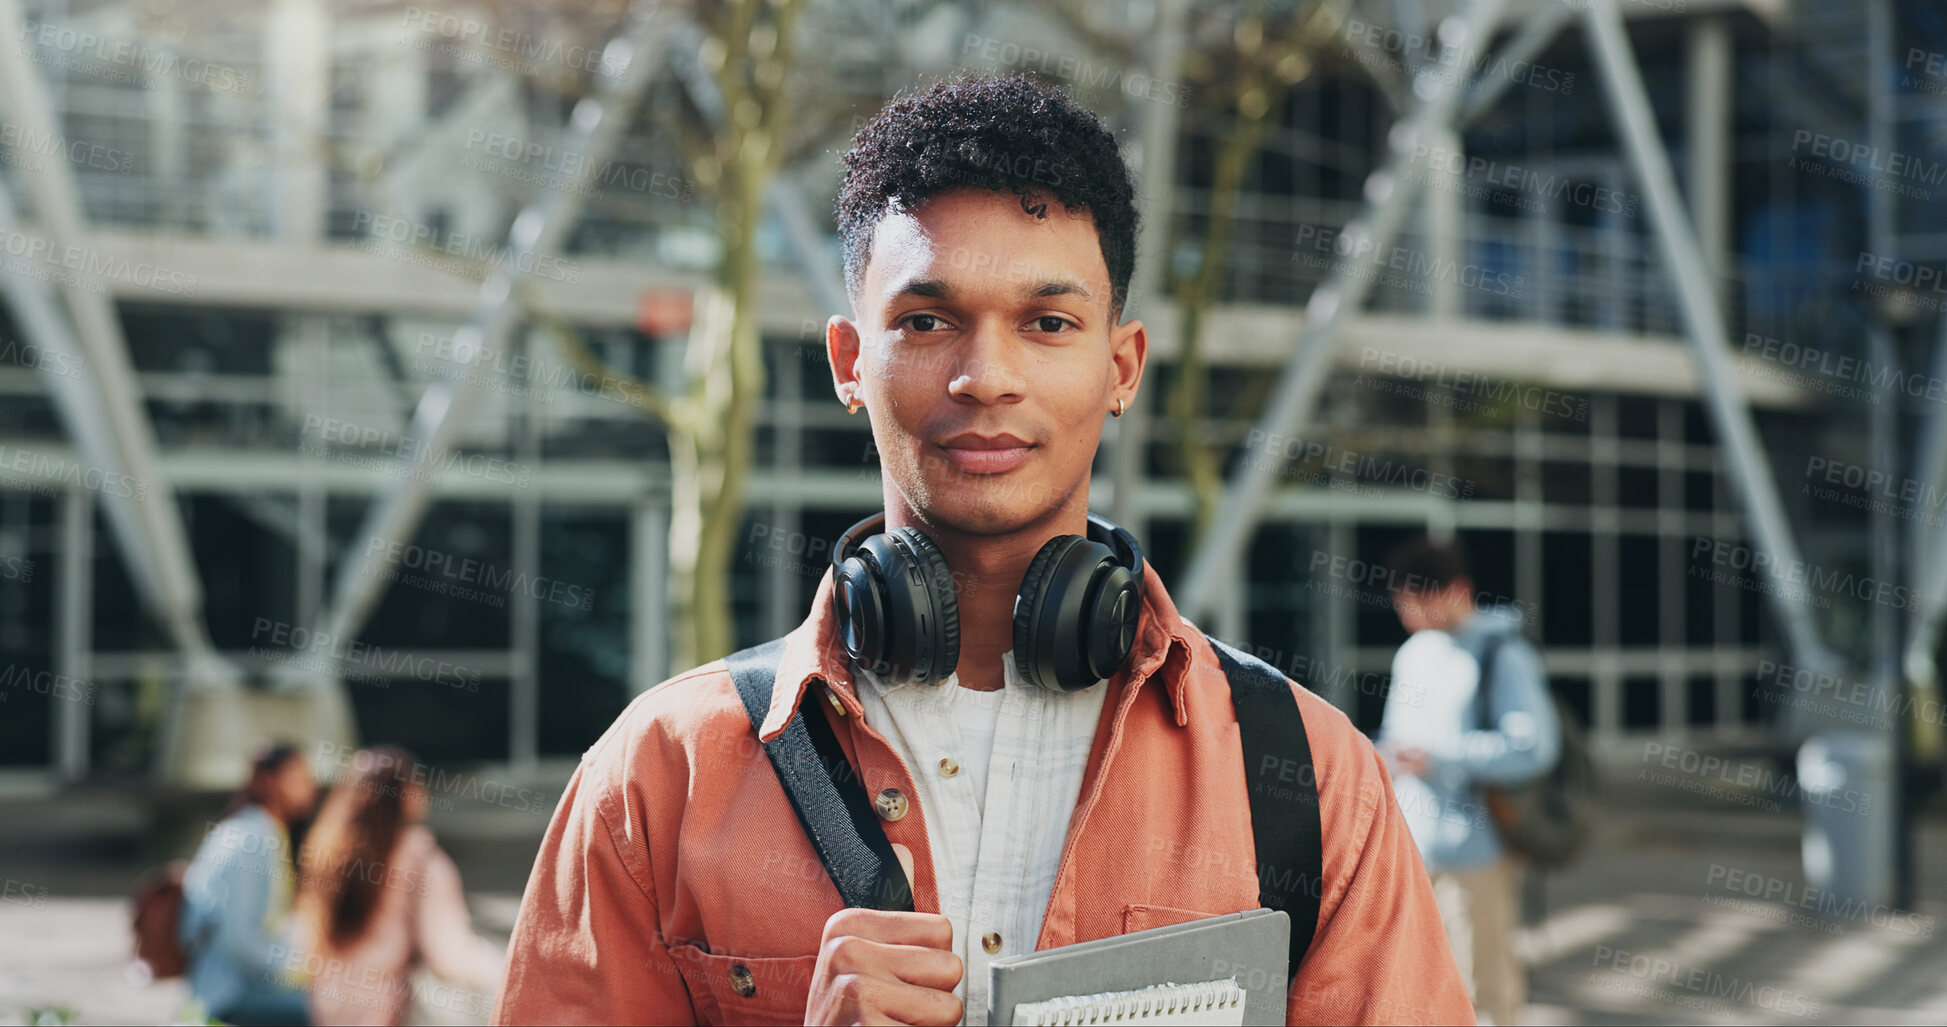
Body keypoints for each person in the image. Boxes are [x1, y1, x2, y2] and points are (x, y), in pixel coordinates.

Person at [495, 74, 1473, 1026]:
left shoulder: (1309, 774)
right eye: (927, 320)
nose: (987, 376)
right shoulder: (659, 775)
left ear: (1122, 364)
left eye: (1047, 323)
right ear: (849, 362)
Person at [1376, 537, 1560, 1027]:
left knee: (1483, 987)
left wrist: (1437, 758)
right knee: (1417, 987)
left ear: (1459, 590)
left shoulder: (1503, 653)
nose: (1411, 616)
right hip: (1413, 848)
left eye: (1421, 603)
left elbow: (1532, 748)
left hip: (1476, 850)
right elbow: (1399, 738)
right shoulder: (1414, 652)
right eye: (1404, 605)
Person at [291, 746, 504, 1026]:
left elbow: (303, 938)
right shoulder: (421, 859)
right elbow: (450, 955)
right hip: (383, 1013)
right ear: (407, 794)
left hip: (327, 1007)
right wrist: (506, 967)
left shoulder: (326, 854)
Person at [179, 741, 319, 1026]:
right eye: (297, 778)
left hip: (247, 984)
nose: (309, 787)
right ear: (269, 782)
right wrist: (297, 970)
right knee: (335, 1012)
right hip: (228, 993)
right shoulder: (252, 839)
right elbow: (238, 939)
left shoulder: (262, 830)